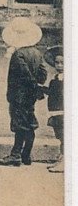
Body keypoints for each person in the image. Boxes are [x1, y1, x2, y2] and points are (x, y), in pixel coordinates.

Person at [0, 18, 47, 167]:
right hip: (30, 96)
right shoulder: (37, 53)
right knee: (30, 122)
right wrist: (36, 87)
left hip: (18, 95)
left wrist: (30, 85)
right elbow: (43, 74)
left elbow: (25, 75)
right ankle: (26, 154)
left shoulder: (18, 55)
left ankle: (15, 154)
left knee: (20, 124)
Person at [44, 45, 64, 174]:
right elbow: (52, 92)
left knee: (64, 137)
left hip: (63, 112)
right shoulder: (57, 78)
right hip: (55, 111)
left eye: (62, 63)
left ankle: (65, 162)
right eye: (57, 62)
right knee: (60, 135)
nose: (59, 65)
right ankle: (62, 158)